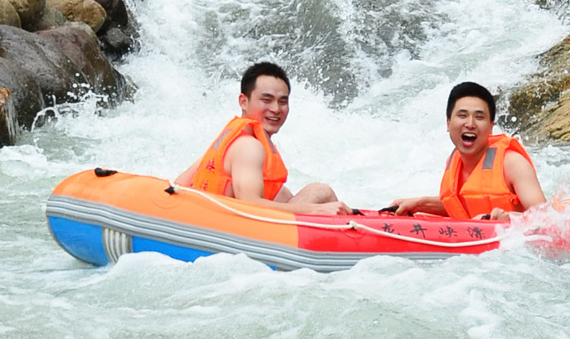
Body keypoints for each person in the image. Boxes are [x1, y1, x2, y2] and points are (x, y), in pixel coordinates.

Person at [175, 62, 351, 215]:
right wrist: (316, 209)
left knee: (281, 193)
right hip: (236, 232)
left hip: (213, 220)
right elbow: (250, 204)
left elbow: (179, 184)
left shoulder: (230, 140)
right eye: (266, 100)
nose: (276, 109)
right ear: (243, 102)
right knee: (320, 191)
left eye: (282, 101)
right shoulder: (249, 146)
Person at [390, 82, 546, 221]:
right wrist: (420, 204)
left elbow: (546, 219)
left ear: (491, 126)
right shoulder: (453, 162)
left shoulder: (512, 163)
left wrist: (510, 217)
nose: (470, 124)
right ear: (448, 122)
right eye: (462, 115)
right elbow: (462, 203)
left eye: (479, 117)